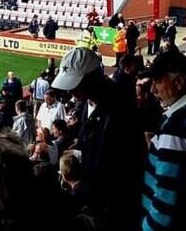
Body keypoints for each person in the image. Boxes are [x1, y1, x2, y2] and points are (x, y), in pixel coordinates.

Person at [52, 47, 144, 231]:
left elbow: (105, 170)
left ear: (92, 78)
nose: (71, 92)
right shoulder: (96, 102)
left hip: (115, 209)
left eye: (75, 85)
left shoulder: (115, 110)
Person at [138, 49, 186, 231]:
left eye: (157, 82)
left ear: (179, 81)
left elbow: (164, 205)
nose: (153, 90)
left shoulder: (175, 131)